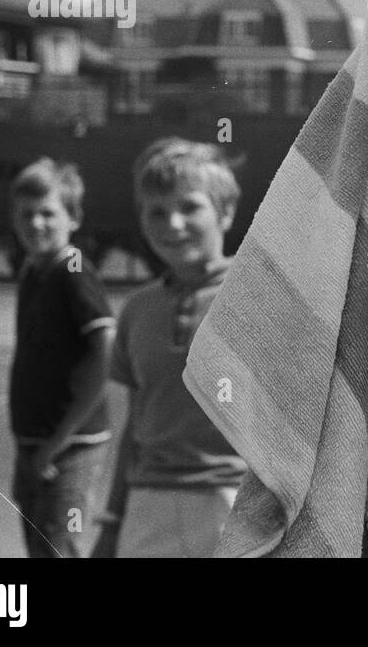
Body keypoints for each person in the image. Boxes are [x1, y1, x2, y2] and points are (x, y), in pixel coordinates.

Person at [92, 138, 247, 558]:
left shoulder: (258, 294)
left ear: (226, 211)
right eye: (156, 211)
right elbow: (134, 428)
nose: (172, 224)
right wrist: (110, 524)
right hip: (148, 504)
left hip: (234, 503)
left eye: (189, 207)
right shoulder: (137, 309)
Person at [8, 158, 115, 558]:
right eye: (26, 214)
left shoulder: (73, 270)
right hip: (35, 443)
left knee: (57, 546)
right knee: (41, 547)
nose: (36, 224)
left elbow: (106, 346)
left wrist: (57, 442)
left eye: (48, 213)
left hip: (70, 445)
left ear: (74, 217)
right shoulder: (35, 271)